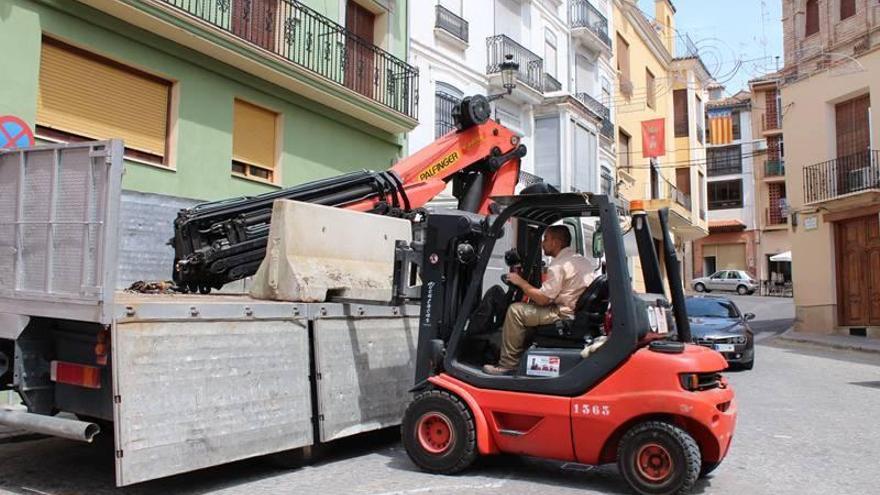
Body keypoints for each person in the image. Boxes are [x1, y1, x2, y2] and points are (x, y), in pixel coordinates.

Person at [482, 225, 596, 375]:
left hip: (563, 314)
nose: (542, 243)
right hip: (574, 311)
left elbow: (543, 299)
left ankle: (508, 365)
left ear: (556, 242)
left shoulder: (559, 266)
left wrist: (520, 282)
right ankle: (521, 352)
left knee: (515, 310)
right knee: (528, 306)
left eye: (546, 239)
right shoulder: (582, 260)